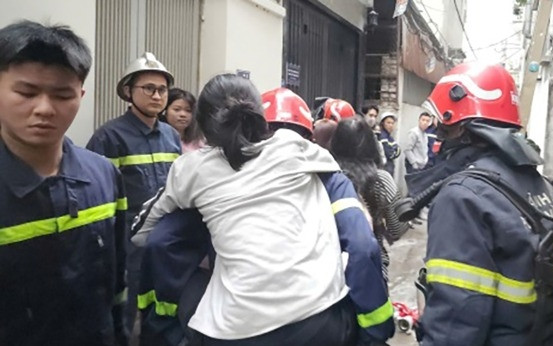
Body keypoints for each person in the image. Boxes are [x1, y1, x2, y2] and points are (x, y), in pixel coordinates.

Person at [131, 87, 394, 346]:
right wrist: (374, 333)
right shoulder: (317, 166)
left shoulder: (195, 175)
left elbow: (158, 242)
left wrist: (165, 330)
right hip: (321, 326)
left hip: (232, 332)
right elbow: (362, 245)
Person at [416, 62, 553, 345]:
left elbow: (456, 321)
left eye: (443, 126)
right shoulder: (543, 186)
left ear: (457, 125)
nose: (440, 134)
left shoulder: (463, 197)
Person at [0, 20, 127, 345]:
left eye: (62, 95)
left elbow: (116, 287)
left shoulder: (103, 175)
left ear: (80, 95)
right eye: (26, 92)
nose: (44, 109)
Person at [86, 52, 181, 335]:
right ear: (129, 91)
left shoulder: (171, 136)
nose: (157, 96)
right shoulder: (109, 137)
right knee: (125, 316)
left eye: (162, 90)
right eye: (149, 89)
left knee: (162, 309)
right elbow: (97, 194)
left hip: (165, 240)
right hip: (125, 244)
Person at [330, 117, 410, 282]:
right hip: (371, 271)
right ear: (371, 145)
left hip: (329, 272)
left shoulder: (325, 177)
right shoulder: (381, 180)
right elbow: (397, 229)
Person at [161, 87, 204, 153]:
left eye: (188, 110)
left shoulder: (200, 141)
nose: (183, 115)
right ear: (165, 111)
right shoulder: (158, 140)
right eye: (177, 109)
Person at [377, 111, 401, 176]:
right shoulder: (382, 136)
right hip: (384, 168)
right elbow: (388, 154)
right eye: (388, 122)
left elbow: (398, 150)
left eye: (392, 123)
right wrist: (394, 152)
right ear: (383, 123)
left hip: (389, 167)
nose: (391, 125)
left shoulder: (390, 138)